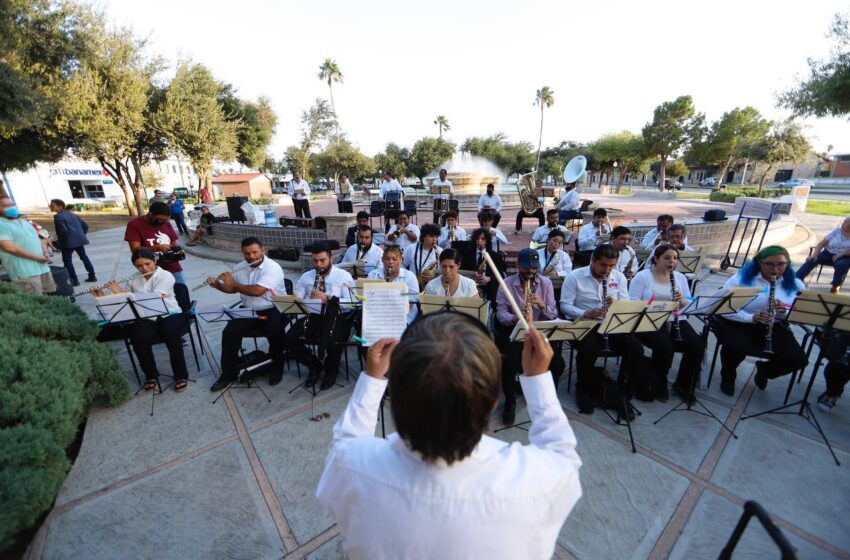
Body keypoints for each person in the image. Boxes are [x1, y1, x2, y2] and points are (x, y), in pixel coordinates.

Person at [316, 313, 582, 559]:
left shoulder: (353, 468)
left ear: (395, 400)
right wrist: (538, 379)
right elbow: (563, 454)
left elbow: (344, 443)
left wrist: (372, 379)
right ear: (491, 404)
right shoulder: (534, 481)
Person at [560, 244, 644, 414]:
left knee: (636, 349)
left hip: (610, 323)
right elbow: (565, 306)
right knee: (589, 349)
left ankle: (622, 392)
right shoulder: (574, 277)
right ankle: (583, 390)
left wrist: (617, 305)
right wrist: (586, 313)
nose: (607, 270)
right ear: (593, 260)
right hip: (584, 323)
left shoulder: (618, 277)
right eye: (603, 265)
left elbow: (626, 303)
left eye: (611, 265)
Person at [715, 246, 807, 396]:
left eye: (781, 264)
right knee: (734, 347)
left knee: (797, 359)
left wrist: (784, 312)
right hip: (741, 322)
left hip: (775, 325)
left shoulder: (796, 284)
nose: (775, 269)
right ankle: (728, 376)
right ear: (759, 263)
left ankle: (764, 371)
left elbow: (800, 315)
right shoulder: (740, 279)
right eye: (769, 264)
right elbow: (723, 308)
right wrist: (751, 317)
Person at [97, 248, 189, 392]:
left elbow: (153, 297)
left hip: (169, 312)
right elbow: (126, 302)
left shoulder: (166, 275)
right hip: (145, 316)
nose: (144, 268)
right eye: (139, 266)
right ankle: (151, 375)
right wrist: (102, 295)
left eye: (147, 264)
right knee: (138, 338)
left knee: (170, 333)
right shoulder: (134, 279)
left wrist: (121, 292)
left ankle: (180, 375)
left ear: (154, 261)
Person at [208, 237, 288, 390]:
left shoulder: (273, 267)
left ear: (262, 250)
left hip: (273, 308)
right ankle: (228, 373)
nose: (251, 257)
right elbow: (231, 289)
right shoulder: (240, 267)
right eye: (247, 254)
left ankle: (277, 367)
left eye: (254, 252)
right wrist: (217, 285)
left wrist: (234, 284)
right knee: (230, 332)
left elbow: (257, 291)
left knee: (274, 330)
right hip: (249, 310)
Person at [495, 248, 564, 424]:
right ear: (518, 265)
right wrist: (516, 317)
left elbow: (554, 313)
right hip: (516, 331)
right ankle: (510, 401)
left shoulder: (546, 283)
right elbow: (500, 312)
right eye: (526, 268)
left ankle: (547, 399)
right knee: (509, 362)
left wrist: (542, 306)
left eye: (534, 268)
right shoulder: (507, 283)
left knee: (557, 362)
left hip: (540, 331)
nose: (531, 272)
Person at [628, 244, 704, 402]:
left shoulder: (680, 277)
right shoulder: (643, 276)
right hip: (647, 320)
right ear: (656, 259)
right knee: (665, 348)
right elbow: (632, 303)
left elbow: (688, 303)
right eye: (667, 258)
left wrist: (680, 300)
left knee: (697, 346)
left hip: (675, 318)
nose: (672, 261)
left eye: (675, 258)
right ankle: (659, 382)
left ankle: (683, 384)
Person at [289, 242, 355, 390]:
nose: (318, 265)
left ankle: (331, 370)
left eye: (322, 260)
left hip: (337, 318)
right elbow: (297, 298)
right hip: (314, 317)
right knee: (290, 338)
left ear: (331, 259)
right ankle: (314, 365)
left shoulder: (343, 276)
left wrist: (328, 297)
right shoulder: (307, 276)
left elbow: (351, 302)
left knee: (332, 339)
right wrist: (295, 297)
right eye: (315, 261)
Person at [0, 195, 55, 295]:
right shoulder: (1, 224)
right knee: (36, 303)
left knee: (48, 298)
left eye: (11, 204)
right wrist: (36, 258)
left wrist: (45, 252)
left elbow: (36, 238)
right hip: (25, 272)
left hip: (41, 267)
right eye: (5, 206)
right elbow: (9, 247)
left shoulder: (23, 221)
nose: (11, 207)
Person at [124, 202, 186, 285]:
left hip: (172, 265)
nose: (163, 222)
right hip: (151, 269)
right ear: (151, 214)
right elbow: (135, 250)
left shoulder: (166, 223)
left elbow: (174, 243)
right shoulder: (135, 225)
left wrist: (178, 250)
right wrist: (157, 248)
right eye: (161, 220)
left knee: (181, 291)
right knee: (159, 295)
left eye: (166, 220)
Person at [367, 245, 420, 323]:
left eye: (394, 259)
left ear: (401, 260)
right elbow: (367, 297)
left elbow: (413, 299)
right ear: (382, 260)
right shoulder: (373, 275)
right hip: (378, 317)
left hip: (404, 318)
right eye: (387, 259)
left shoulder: (409, 276)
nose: (390, 262)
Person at [796, 216, 850, 293]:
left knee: (841, 264)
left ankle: (836, 286)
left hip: (845, 257)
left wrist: (840, 255)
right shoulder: (837, 231)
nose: (843, 223)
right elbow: (821, 244)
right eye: (844, 221)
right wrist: (814, 255)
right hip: (828, 253)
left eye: (846, 222)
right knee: (812, 260)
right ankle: (796, 279)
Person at [49, 198, 97, 286]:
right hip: (79, 240)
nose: (50, 207)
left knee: (67, 261)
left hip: (68, 242)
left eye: (52, 205)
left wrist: (60, 242)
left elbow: (62, 231)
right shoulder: (71, 214)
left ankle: (74, 280)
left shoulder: (58, 216)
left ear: (60, 207)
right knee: (84, 257)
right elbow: (85, 225)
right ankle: (92, 276)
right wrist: (82, 235)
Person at [460, 228, 507, 301]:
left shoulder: (495, 256)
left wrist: (489, 278)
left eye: (483, 239)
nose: (479, 241)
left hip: (490, 288)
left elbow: (502, 275)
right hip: (471, 288)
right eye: (477, 238)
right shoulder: (467, 254)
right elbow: (462, 271)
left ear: (487, 241)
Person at [817, 332, 850, 411]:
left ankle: (832, 394)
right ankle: (833, 393)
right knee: (832, 369)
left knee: (843, 367)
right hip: (836, 338)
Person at [403, 223, 442, 289]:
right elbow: (401, 265)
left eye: (436, 237)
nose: (434, 239)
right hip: (414, 285)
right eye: (431, 236)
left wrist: (435, 275)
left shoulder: (440, 251)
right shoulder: (411, 248)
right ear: (423, 236)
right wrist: (410, 277)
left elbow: (443, 270)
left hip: (433, 287)